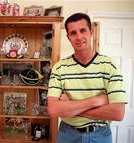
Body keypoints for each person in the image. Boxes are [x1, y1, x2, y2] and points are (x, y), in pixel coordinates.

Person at [47, 12, 127, 143]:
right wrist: (95, 101)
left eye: (83, 30)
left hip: (100, 135)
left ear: (91, 31)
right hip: (67, 134)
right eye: (73, 33)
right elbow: (53, 109)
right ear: (68, 37)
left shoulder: (110, 66)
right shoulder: (59, 68)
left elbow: (118, 113)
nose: (79, 37)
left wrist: (70, 106)